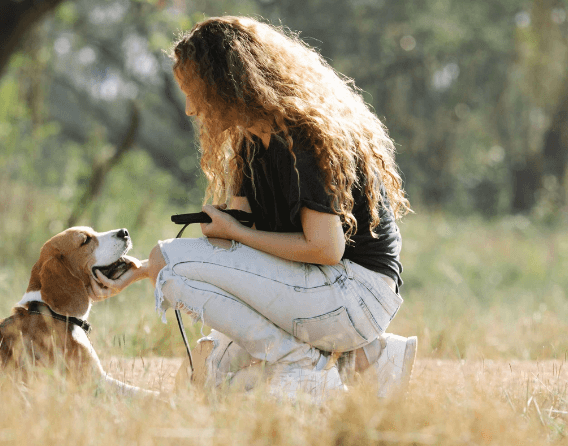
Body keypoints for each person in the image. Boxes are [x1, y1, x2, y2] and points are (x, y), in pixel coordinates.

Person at [92, 16, 416, 401]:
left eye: (194, 91)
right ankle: (370, 360)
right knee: (207, 374)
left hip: (356, 294)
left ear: (227, 84)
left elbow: (327, 249)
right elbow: (240, 249)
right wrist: (149, 269)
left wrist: (229, 235)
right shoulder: (251, 144)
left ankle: (305, 367)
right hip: (319, 288)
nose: (190, 109)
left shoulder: (307, 138)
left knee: (170, 258)